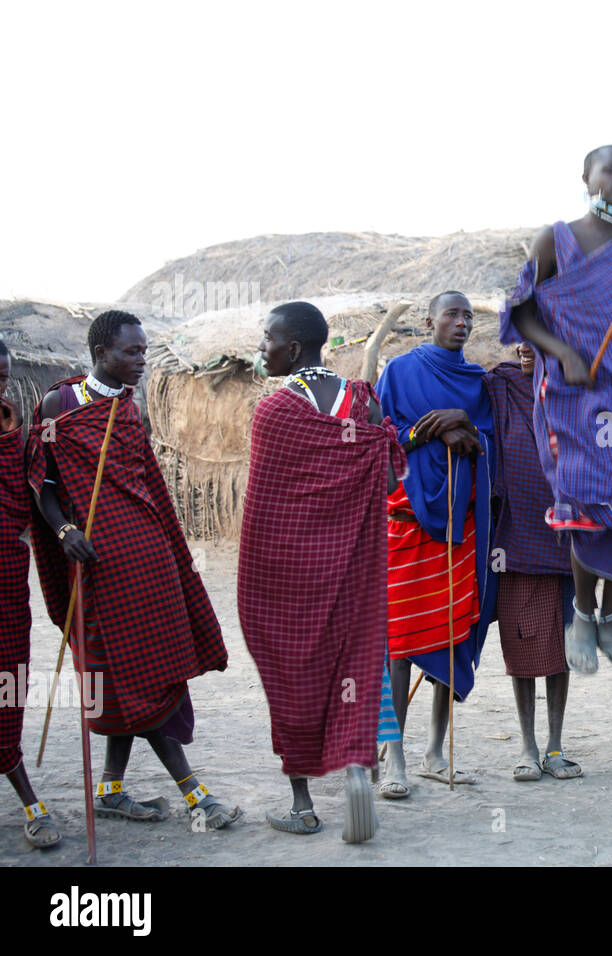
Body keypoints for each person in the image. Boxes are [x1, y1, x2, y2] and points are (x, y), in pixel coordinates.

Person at [26, 311, 237, 829]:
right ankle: (196, 796)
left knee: (147, 672)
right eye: (131, 352)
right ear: (102, 354)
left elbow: (147, 485)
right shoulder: (61, 405)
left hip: (148, 562)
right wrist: (62, 532)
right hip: (97, 566)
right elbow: (42, 482)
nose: (141, 360)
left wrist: (171, 552)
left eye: (144, 351)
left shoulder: (131, 410)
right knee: (130, 673)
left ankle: (111, 789)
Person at [500, 144, 612, 681]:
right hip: (570, 392)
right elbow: (522, 309)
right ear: (587, 177)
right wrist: (563, 353)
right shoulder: (554, 238)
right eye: (610, 168)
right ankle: (582, 615)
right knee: (584, 502)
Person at [238, 302, 405, 840]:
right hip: (356, 570)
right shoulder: (365, 402)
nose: (261, 348)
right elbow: (383, 485)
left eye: (267, 339)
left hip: (288, 575)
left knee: (295, 673)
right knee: (353, 665)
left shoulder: (275, 413)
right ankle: (357, 768)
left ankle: (304, 804)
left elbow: (265, 510)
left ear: (292, 348)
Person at [377, 292, 495, 793]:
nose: (462, 322)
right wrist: (429, 434)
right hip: (406, 524)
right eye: (452, 313)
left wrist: (462, 424)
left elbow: (489, 440)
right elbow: (379, 437)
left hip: (459, 526)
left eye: (468, 316)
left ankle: (432, 751)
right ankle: (394, 757)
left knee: (452, 637)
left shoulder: (478, 381)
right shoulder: (399, 372)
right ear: (429, 321)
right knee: (399, 645)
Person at [483, 342, 580, 782]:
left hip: (566, 540)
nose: (525, 346)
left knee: (560, 649)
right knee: (520, 646)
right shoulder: (498, 385)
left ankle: (555, 746)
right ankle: (526, 745)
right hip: (514, 537)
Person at [0, 340, 60, 848]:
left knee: (7, 682)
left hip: (4, 583)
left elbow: (27, 500)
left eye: (2, 378)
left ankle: (23, 788)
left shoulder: (12, 432)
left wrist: (8, 441)